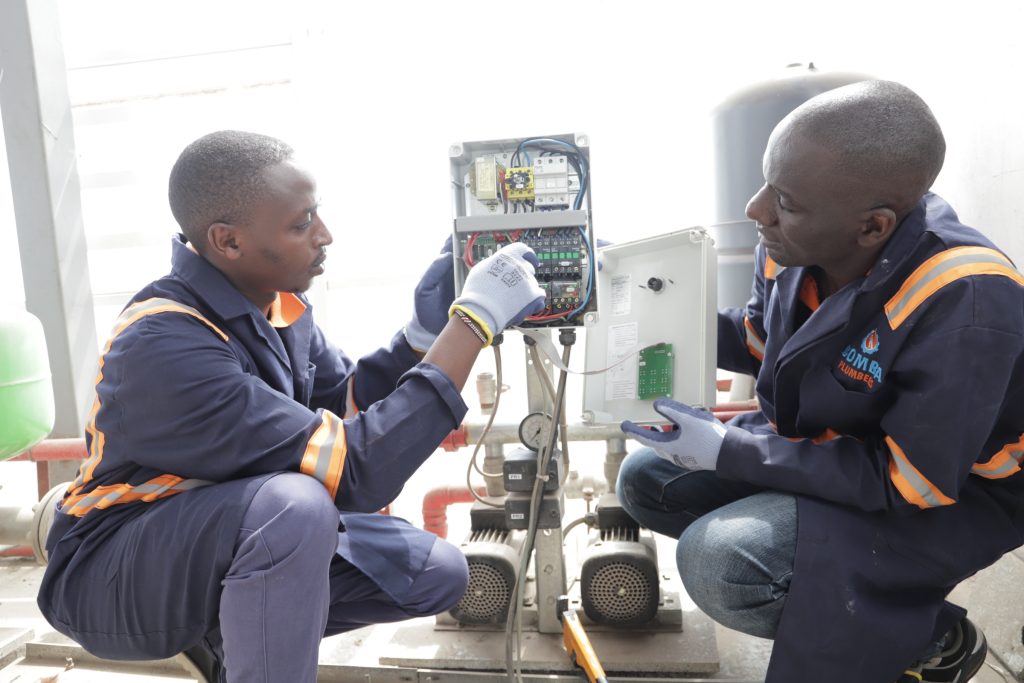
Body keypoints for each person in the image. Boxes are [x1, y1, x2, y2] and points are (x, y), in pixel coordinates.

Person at [36, 130, 546, 682]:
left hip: (214, 542)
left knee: (433, 572)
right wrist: (471, 324)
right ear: (227, 242)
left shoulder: (278, 307)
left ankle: (237, 636)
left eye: (316, 214)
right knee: (296, 507)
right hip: (115, 573)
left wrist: (420, 339)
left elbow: (342, 408)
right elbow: (355, 469)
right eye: (301, 223)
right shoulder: (163, 343)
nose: (324, 235)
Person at [618, 80, 1024, 683]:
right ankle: (834, 569)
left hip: (947, 492)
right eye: (765, 184)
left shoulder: (965, 300)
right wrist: (646, 317)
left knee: (721, 563)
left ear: (872, 227)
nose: (756, 210)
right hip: (839, 442)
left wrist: (730, 450)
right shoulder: (795, 242)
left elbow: (909, 481)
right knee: (648, 480)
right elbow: (762, 341)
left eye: (784, 200)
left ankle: (935, 639)